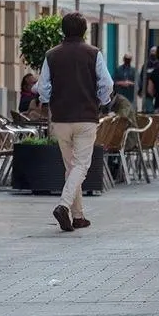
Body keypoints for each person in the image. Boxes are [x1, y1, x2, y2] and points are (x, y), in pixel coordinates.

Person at [36, 12, 114, 232]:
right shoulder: (93, 53)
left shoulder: (52, 54)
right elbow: (106, 83)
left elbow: (42, 87)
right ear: (84, 30)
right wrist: (100, 100)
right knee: (81, 165)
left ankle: (78, 216)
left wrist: (50, 101)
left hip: (60, 118)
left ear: (63, 29)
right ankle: (63, 205)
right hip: (86, 116)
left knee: (71, 166)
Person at [139, 47, 159, 113]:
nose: (153, 53)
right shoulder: (145, 65)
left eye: (154, 52)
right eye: (152, 51)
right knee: (148, 110)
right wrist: (141, 89)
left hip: (158, 92)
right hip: (147, 93)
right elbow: (141, 78)